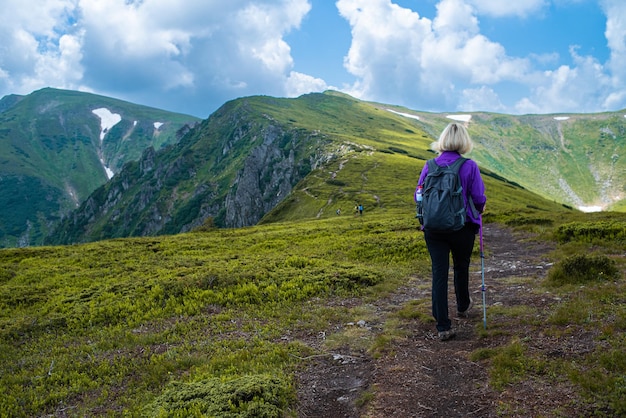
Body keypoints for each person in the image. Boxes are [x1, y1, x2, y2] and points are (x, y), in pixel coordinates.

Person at [415, 122, 486, 341]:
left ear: (443, 140)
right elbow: (479, 198)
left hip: (434, 228)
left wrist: (427, 215)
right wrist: (478, 210)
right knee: (461, 266)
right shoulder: (469, 166)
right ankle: (463, 306)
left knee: (439, 273)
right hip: (461, 226)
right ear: (464, 141)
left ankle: (443, 325)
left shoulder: (430, 165)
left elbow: (419, 194)